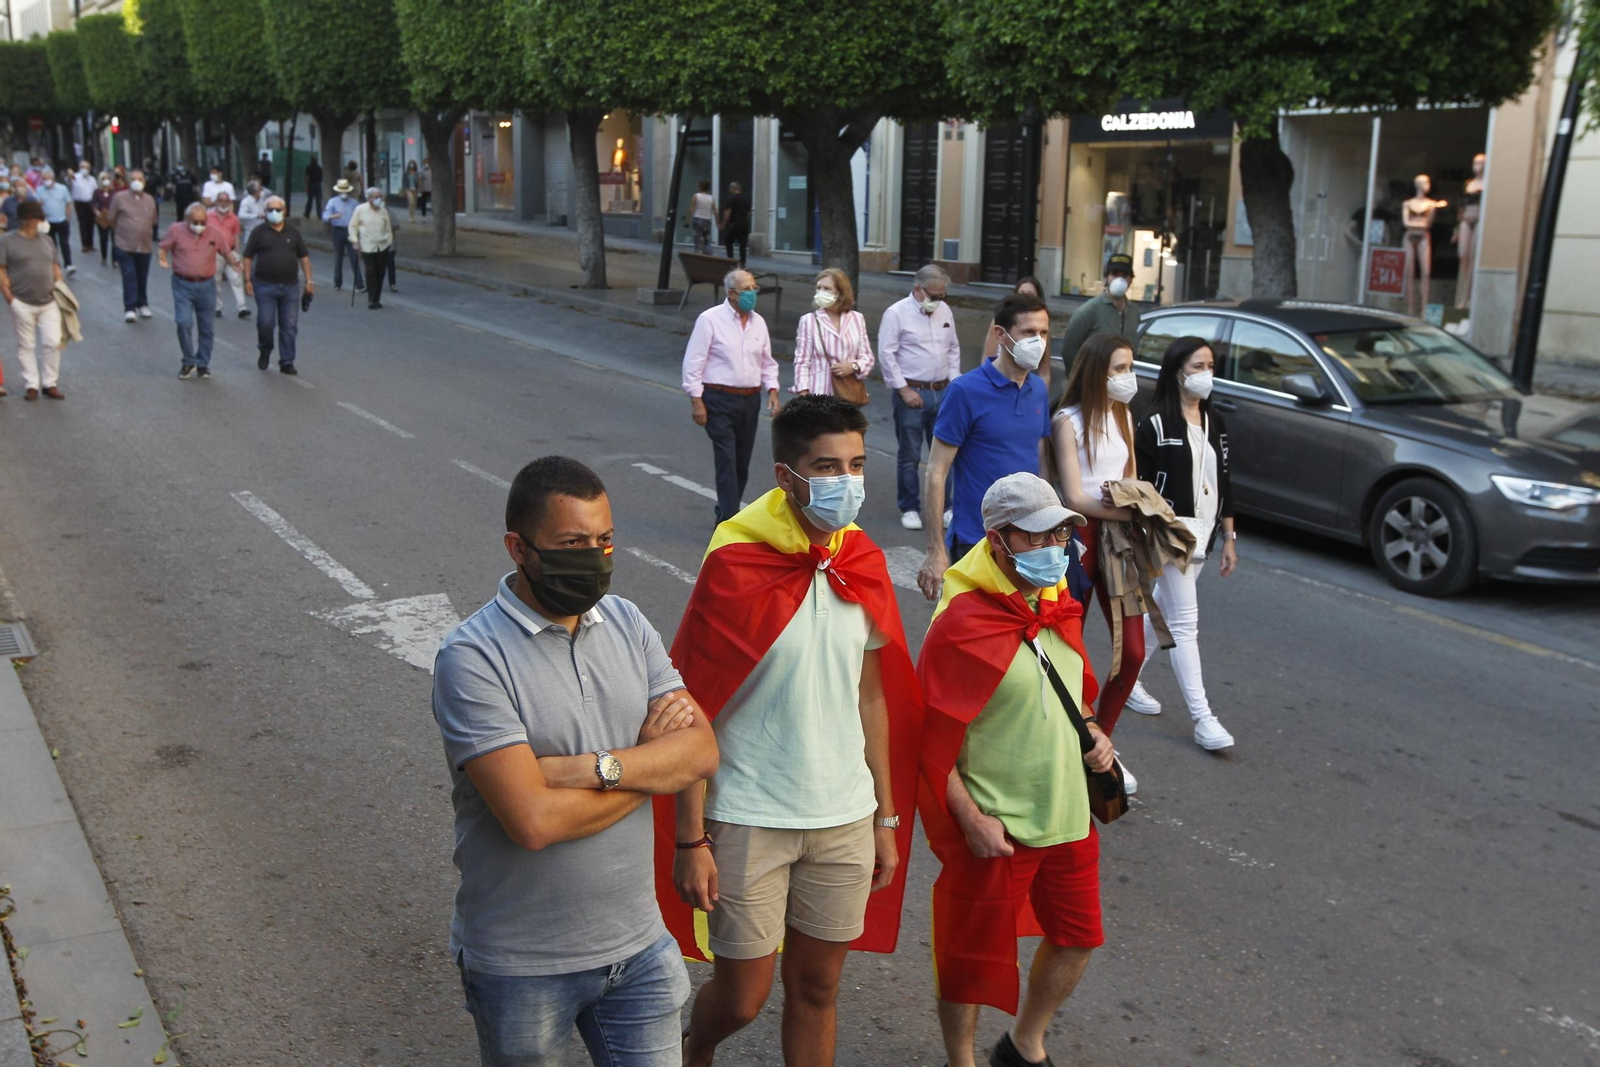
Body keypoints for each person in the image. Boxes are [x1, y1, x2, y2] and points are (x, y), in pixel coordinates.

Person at [432, 456, 718, 1067]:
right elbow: (533, 822)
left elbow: (701, 750)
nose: (595, 556)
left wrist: (591, 770)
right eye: (572, 543)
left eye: (604, 540)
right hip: (523, 967)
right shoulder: (472, 659)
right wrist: (651, 767)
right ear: (519, 547)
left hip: (640, 948)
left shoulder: (626, 621)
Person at [662, 396, 922, 1067]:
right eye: (828, 466)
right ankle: (694, 1047)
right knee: (743, 995)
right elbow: (691, 707)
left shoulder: (860, 562)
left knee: (818, 985)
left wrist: (885, 817)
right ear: (786, 475)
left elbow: (872, 699)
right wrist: (691, 835)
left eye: (858, 464)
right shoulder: (736, 563)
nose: (848, 481)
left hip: (843, 814)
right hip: (748, 813)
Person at [917, 472, 1111, 1067]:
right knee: (969, 959)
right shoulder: (961, 625)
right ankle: (963, 1061)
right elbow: (927, 743)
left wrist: (1095, 733)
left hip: (1070, 818)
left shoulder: (1059, 607)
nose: (1054, 548)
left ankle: (1026, 1043)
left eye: (1060, 534)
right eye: (1036, 538)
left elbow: (1075, 698)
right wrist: (971, 818)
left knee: (1078, 938)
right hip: (1000, 830)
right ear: (997, 541)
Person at [1127, 336, 1238, 751]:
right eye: (1198, 365)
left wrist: (1229, 536)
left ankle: (1126, 679)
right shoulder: (1155, 424)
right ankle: (1202, 718)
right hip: (1168, 537)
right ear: (1177, 371)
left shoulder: (1216, 424)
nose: (1206, 373)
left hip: (1203, 536)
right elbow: (1137, 484)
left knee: (1162, 612)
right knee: (1184, 623)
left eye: (1210, 365)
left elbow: (1225, 483)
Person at [1050, 332, 1146, 790]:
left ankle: (1100, 744)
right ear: (1096, 372)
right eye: (1121, 369)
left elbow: (1131, 478)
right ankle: (1077, 744)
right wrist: (1125, 509)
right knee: (1071, 649)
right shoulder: (1067, 420)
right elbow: (1073, 495)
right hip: (1079, 539)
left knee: (1133, 652)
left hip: (1120, 541)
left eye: (1131, 367)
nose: (1130, 377)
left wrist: (1139, 507)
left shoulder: (1124, 414)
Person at [915, 293, 1053, 599]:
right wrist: (936, 550)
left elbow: (1040, 461)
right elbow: (936, 472)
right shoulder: (965, 391)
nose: (1039, 341)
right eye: (1029, 333)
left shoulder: (1038, 389)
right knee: (970, 641)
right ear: (1001, 335)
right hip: (975, 542)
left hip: (1028, 544)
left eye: (1043, 333)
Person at [681, 269, 780, 523]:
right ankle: (729, 520)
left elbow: (767, 361)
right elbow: (694, 362)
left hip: (749, 400)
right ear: (731, 293)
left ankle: (725, 512)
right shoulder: (710, 320)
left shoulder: (759, 322)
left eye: (754, 289)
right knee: (726, 458)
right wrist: (696, 400)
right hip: (718, 399)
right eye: (746, 289)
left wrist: (772, 389)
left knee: (741, 463)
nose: (752, 294)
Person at [878, 263, 962, 531]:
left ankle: (946, 507)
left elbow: (953, 348)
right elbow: (887, 353)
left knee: (945, 454)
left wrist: (954, 381)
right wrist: (903, 389)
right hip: (912, 393)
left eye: (942, 295)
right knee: (910, 454)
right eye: (934, 296)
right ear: (917, 290)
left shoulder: (944, 310)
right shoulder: (896, 313)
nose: (939, 301)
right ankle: (910, 507)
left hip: (943, 392)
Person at [158, 202, 243, 381]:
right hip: (182, 284)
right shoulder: (176, 230)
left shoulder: (214, 233)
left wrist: (234, 263)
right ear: (187, 219)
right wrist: (162, 259)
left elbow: (226, 252)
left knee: (207, 327)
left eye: (203, 221)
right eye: (195, 221)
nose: (200, 225)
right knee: (183, 322)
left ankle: (203, 364)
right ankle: (188, 361)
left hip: (206, 285)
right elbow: (163, 247)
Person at [0, 200, 67, 401]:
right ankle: (32, 385)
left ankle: (50, 383)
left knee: (53, 342)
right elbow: (1, 269)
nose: (41, 222)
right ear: (28, 220)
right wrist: (10, 298)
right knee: (26, 345)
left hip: (48, 301)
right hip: (21, 301)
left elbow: (55, 265)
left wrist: (59, 287)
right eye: (38, 218)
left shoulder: (47, 240)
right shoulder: (7, 241)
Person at [242, 196, 313, 376]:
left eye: (278, 210)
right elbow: (248, 256)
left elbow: (303, 257)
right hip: (265, 285)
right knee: (266, 322)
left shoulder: (293, 233)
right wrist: (247, 280)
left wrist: (309, 281)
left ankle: (287, 360)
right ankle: (265, 349)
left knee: (289, 325)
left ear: (285, 211)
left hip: (290, 287)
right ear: (265, 213)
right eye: (271, 210)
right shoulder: (259, 232)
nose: (275, 213)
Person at [792, 267, 874, 398]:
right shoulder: (809, 320)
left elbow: (867, 358)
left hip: (848, 395)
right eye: (818, 288)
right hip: (818, 395)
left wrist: (853, 366)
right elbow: (802, 360)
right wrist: (803, 392)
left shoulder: (857, 319)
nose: (820, 292)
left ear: (840, 293)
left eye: (826, 289)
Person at [1058, 254, 1141, 381]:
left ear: (1130, 280)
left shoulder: (1134, 312)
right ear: (1106, 278)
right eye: (1115, 274)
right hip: (1092, 386)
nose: (1120, 280)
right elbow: (1069, 350)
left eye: (1124, 275)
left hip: (1121, 385)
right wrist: (1079, 381)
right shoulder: (1088, 311)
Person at [102, 169, 158, 323]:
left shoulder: (150, 199)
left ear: (144, 182)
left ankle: (143, 304)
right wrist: (122, 232)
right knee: (129, 275)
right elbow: (111, 219)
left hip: (144, 245)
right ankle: (130, 308)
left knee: (142, 276)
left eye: (140, 179)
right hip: (124, 244)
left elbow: (153, 220)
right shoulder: (119, 198)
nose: (137, 182)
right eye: (133, 179)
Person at [982, 276, 1047, 381]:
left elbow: (1045, 371)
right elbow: (987, 357)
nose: (1025, 298)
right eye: (1028, 331)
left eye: (1030, 294)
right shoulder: (1000, 321)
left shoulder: (1037, 387)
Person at [348, 187, 395, 310]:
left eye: (380, 197)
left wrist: (389, 242)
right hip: (367, 245)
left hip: (383, 245)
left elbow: (388, 228)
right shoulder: (360, 209)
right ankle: (371, 299)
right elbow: (353, 226)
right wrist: (354, 241)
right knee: (370, 272)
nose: (379, 199)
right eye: (376, 197)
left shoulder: (383, 211)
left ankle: (377, 298)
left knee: (380, 272)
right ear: (369, 198)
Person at [208, 192, 249, 320]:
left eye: (226, 201)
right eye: (221, 200)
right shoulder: (209, 217)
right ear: (216, 202)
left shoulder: (234, 218)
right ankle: (217, 307)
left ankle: (242, 308)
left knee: (236, 278)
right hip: (215, 253)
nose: (223, 203)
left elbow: (236, 236)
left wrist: (237, 253)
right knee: (216, 280)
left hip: (230, 252)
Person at [321, 179, 365, 292]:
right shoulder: (332, 202)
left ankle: (359, 283)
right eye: (341, 191)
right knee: (338, 258)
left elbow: (360, 216)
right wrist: (332, 217)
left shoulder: (354, 202)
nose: (343, 193)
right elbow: (325, 215)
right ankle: (337, 283)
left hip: (350, 230)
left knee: (354, 257)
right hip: (338, 230)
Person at [34, 167, 74, 275]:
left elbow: (68, 203)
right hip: (48, 221)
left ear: (53, 178)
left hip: (61, 220)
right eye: (44, 178)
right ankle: (55, 265)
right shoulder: (39, 190)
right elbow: (37, 205)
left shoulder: (62, 189)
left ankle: (68, 264)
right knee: (52, 245)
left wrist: (67, 216)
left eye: (48, 178)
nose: (46, 180)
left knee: (64, 243)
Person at [719, 181, 750, 267]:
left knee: (728, 241)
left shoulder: (731, 199)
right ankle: (743, 262)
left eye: (730, 188)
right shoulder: (746, 199)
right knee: (742, 244)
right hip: (744, 224)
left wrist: (723, 224)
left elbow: (727, 212)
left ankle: (730, 260)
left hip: (734, 224)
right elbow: (748, 213)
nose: (729, 190)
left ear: (733, 189)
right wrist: (746, 221)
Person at [71, 161, 97, 254]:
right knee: (83, 223)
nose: (84, 169)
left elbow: (95, 190)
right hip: (80, 203)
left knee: (91, 223)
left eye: (86, 167)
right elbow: (70, 178)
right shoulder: (75, 177)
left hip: (90, 203)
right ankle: (84, 244)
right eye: (82, 167)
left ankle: (91, 243)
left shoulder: (92, 179)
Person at [238, 179, 271, 248]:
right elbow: (241, 215)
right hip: (251, 231)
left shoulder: (261, 200)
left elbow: (268, 193)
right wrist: (256, 216)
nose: (262, 191)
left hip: (263, 230)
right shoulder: (246, 202)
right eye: (260, 190)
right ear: (256, 192)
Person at [91, 173, 115, 265]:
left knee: (114, 240)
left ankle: (115, 260)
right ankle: (104, 257)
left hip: (112, 217)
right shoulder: (97, 192)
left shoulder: (114, 192)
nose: (106, 180)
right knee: (103, 238)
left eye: (108, 178)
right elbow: (93, 203)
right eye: (103, 178)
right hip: (102, 217)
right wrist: (96, 211)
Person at [688, 179, 716, 254]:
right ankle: (706, 252)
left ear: (700, 187)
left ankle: (698, 252)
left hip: (698, 218)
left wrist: (687, 221)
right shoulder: (711, 198)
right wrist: (717, 221)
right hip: (707, 219)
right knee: (706, 238)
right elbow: (715, 210)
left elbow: (691, 209)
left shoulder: (696, 196)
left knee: (698, 238)